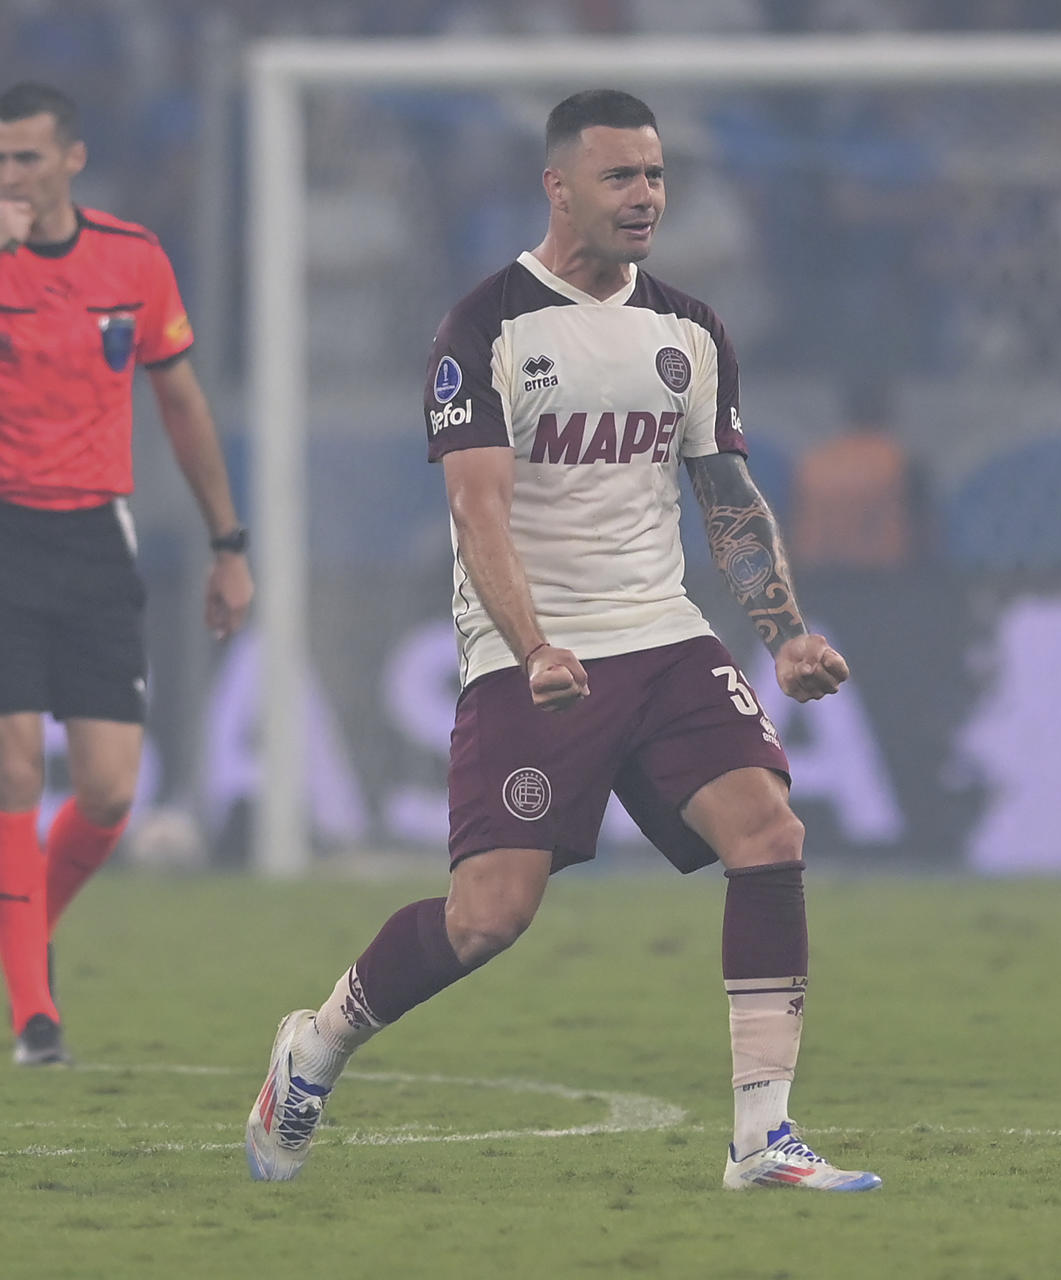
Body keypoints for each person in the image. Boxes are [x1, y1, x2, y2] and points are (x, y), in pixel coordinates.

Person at [246, 90, 880, 1193]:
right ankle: (317, 1041)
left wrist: (781, 634)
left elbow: (726, 495)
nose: (645, 196)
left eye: (655, 175)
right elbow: (478, 510)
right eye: (619, 176)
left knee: (770, 832)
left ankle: (762, 1136)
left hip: (665, 635)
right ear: (559, 186)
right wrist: (533, 642)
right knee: (490, 915)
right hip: (533, 662)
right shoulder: (485, 326)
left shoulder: (689, 330)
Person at [0, 81, 252, 1067]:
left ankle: (27, 926)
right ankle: (35, 1014)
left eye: (28, 159)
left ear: (72, 159)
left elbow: (184, 404)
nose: (10, 179)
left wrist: (228, 542)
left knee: (111, 792)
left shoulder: (134, 259)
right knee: (17, 766)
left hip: (96, 534)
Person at [788, 377, 931, 570]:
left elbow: (792, 532)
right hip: (888, 582)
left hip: (821, 583)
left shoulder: (813, 464)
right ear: (887, 411)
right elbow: (924, 536)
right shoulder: (902, 463)